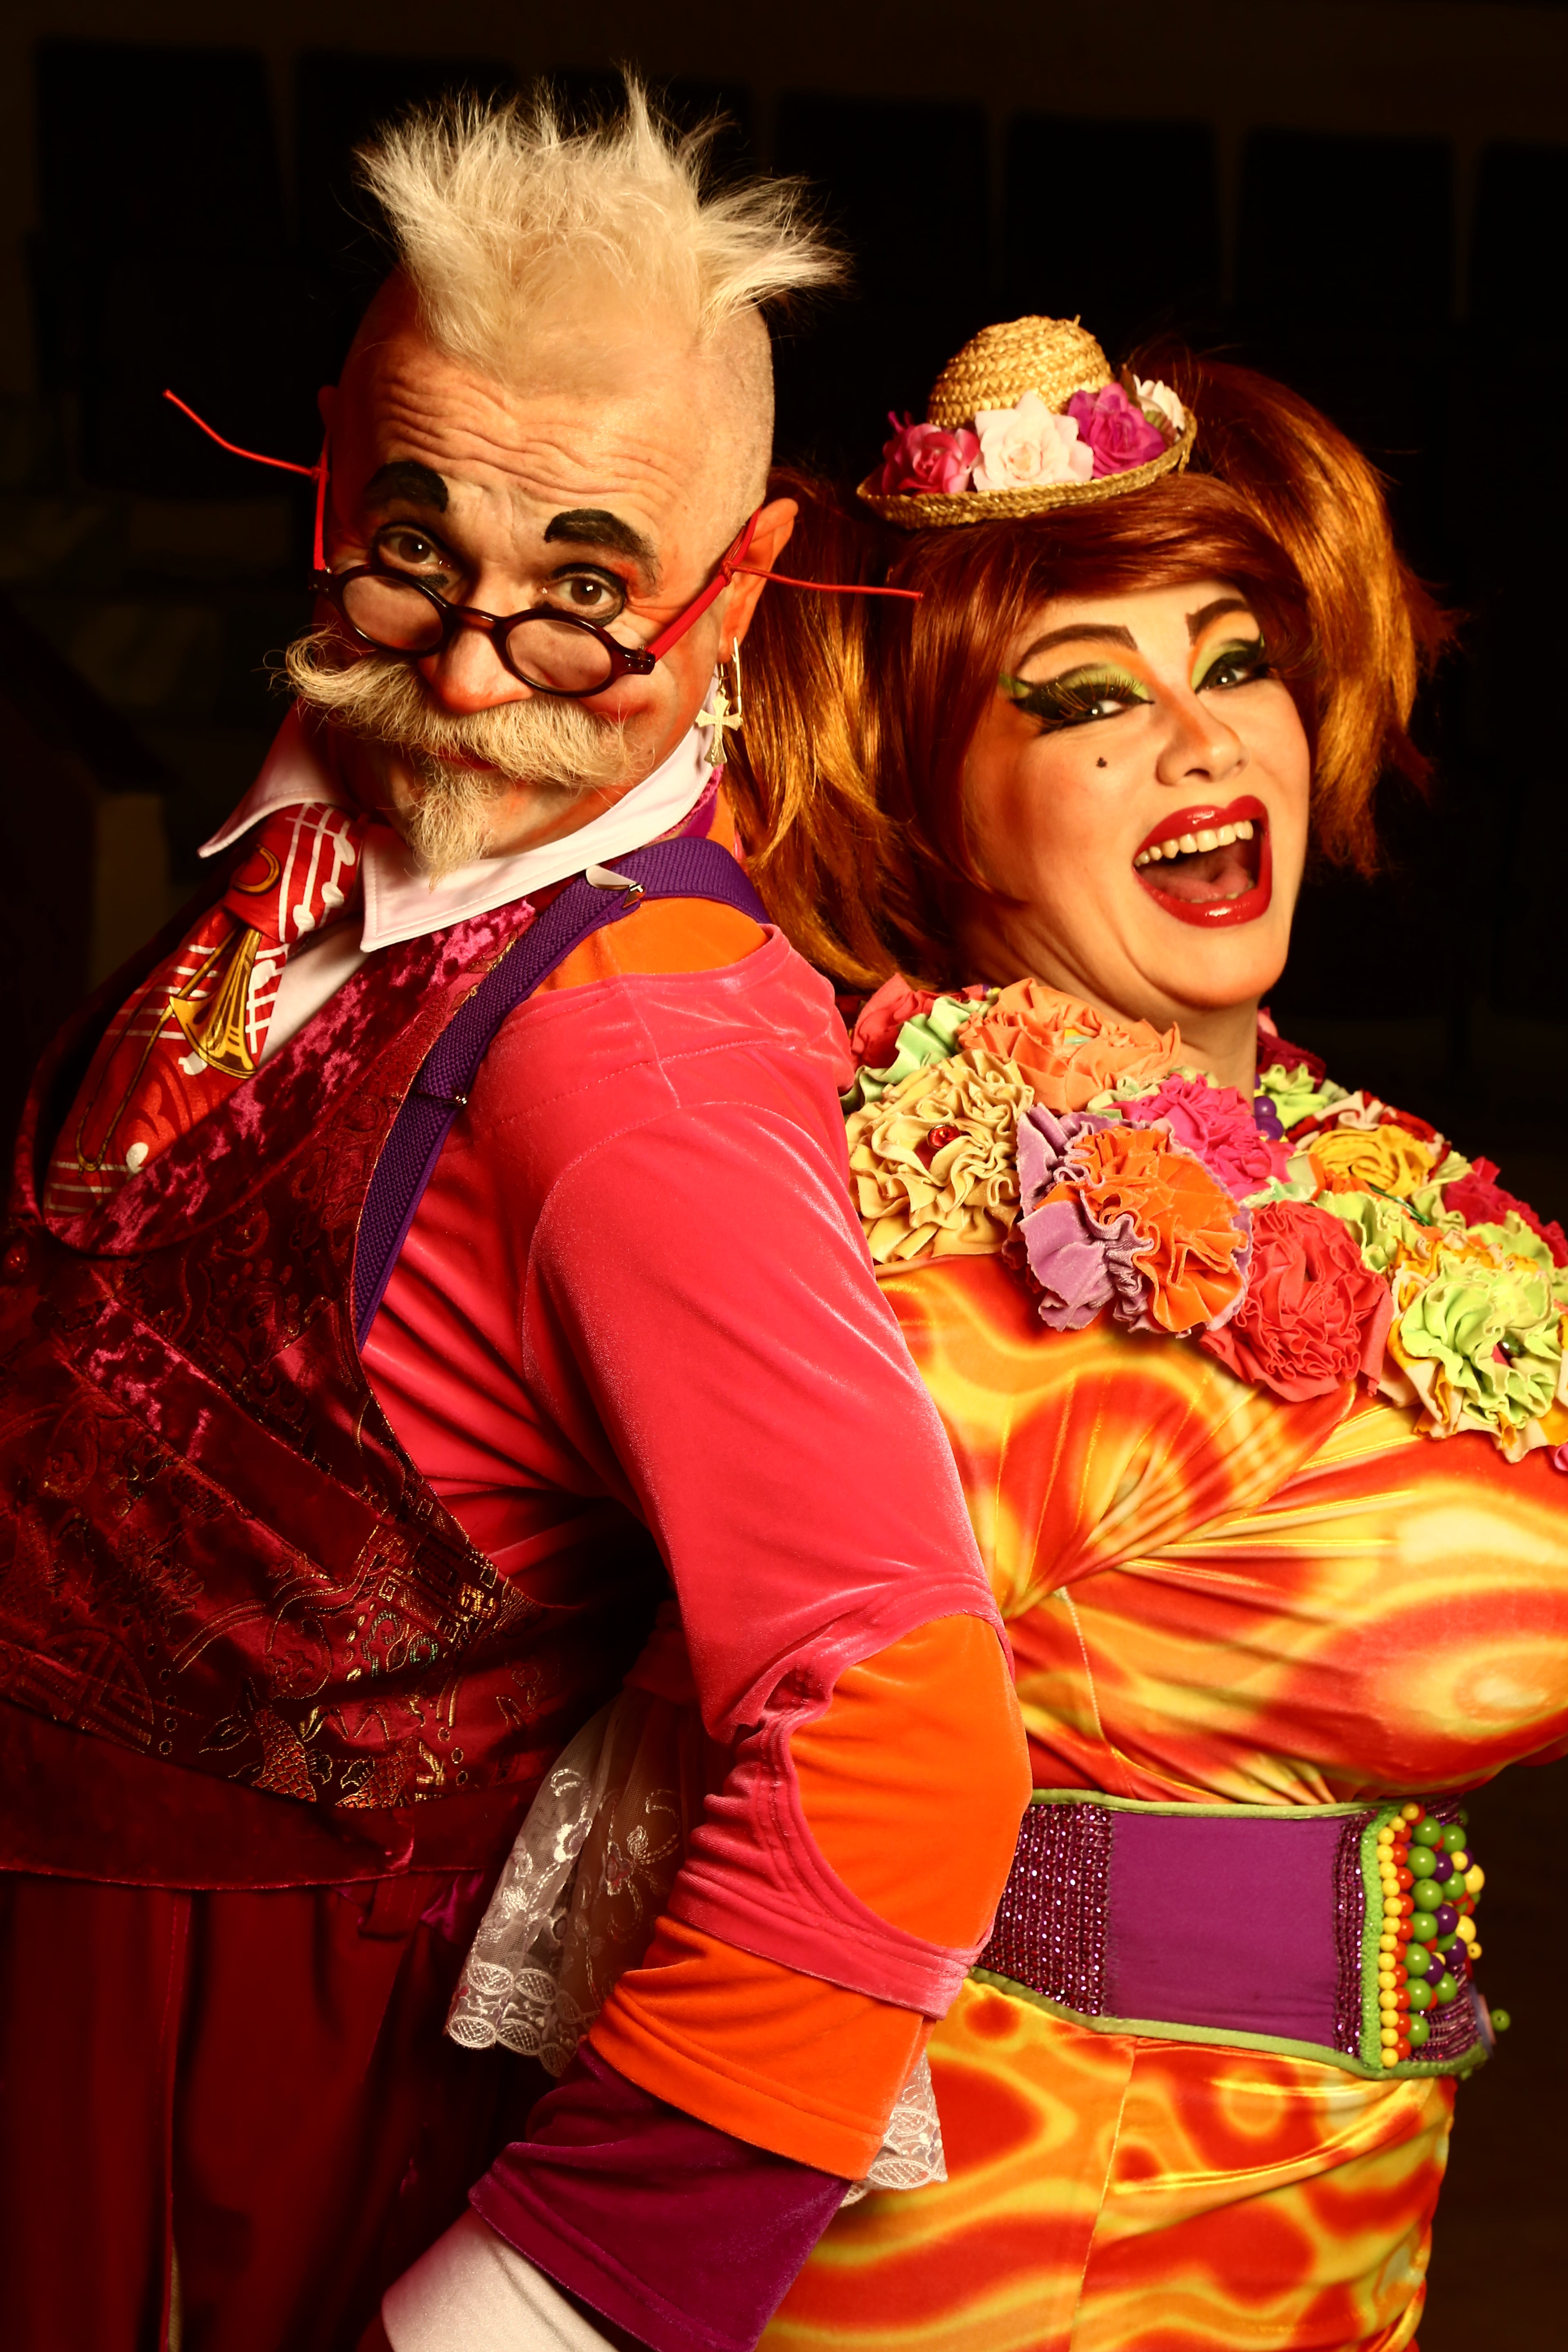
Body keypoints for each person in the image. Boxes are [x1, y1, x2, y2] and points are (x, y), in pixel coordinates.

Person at [0, 92, 1033, 2352]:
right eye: (409, 551)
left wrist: (556, 2299)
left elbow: (902, 1731)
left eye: (583, 595)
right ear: (326, 477)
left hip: (272, 2128)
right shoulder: (304, 860)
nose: (469, 681)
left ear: (740, 581)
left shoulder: (633, 1058)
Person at [494, 311, 1568, 2351]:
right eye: (1084, 698)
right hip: (1023, 2232)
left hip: (1317, 2212)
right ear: (941, 800)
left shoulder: (1358, 1157)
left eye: (1234, 663)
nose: (1203, 741)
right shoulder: (936, 1247)